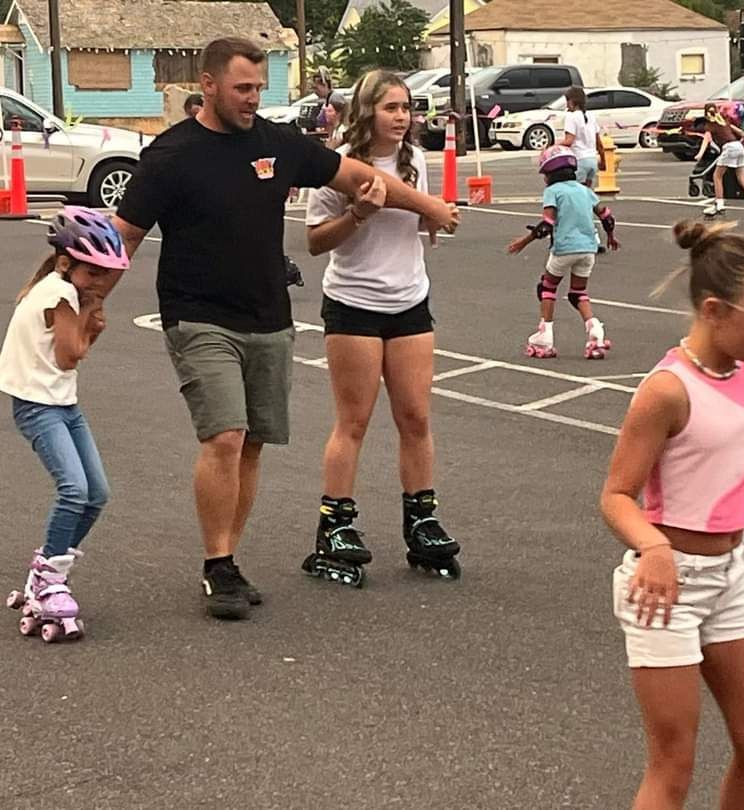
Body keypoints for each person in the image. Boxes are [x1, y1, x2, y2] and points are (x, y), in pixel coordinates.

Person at [110, 37, 458, 621]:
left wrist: (427, 207)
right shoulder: (171, 155)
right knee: (224, 434)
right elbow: (123, 237)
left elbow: (357, 174)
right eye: (243, 88)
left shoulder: (277, 143)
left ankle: (230, 558)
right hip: (197, 314)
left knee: (250, 443)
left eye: (259, 87)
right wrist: (84, 301)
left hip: (267, 313)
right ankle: (217, 563)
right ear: (209, 84)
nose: (254, 98)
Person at [601, 220, 744, 810]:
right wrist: (655, 550)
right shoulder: (667, 390)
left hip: (730, 577)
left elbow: (735, 476)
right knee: (674, 762)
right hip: (666, 588)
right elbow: (616, 495)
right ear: (714, 309)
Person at [303, 70, 460, 585]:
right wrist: (359, 214)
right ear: (368, 110)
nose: (401, 117)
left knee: (415, 416)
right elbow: (316, 241)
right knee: (354, 420)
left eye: (407, 108)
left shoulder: (415, 163)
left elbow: (418, 225)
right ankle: (336, 523)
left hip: (409, 299)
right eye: (391, 107)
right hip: (354, 303)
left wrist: (432, 220)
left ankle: (422, 519)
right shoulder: (339, 162)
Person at [0, 208, 129, 642]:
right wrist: (92, 316)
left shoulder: (59, 289)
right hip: (39, 407)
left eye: (104, 275)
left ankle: (48, 570)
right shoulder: (58, 294)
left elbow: (75, 350)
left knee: (97, 493)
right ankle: (50, 575)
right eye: (93, 273)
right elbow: (69, 355)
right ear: (64, 263)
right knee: (75, 489)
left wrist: (91, 325)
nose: (98, 283)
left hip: (62, 403)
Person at [507, 145, 619, 359]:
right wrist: (611, 237)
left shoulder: (553, 192)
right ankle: (595, 330)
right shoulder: (585, 191)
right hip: (588, 249)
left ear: (551, 174)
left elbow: (546, 225)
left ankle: (545, 335)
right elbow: (607, 216)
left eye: (545, 174)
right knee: (578, 293)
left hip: (564, 249)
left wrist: (524, 241)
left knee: (547, 287)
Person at [692, 103, 744, 220]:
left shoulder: (710, 125)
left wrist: (700, 154)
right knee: (742, 178)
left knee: (717, 176)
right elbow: (740, 133)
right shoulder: (724, 121)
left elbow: (706, 139)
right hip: (738, 146)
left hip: (729, 148)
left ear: (706, 114)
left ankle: (720, 205)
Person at [562, 86, 606, 187]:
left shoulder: (571, 117)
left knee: (577, 193)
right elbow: (598, 143)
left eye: (567, 101)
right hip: (592, 160)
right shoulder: (591, 116)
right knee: (587, 193)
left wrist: (553, 145)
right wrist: (603, 161)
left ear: (572, 101)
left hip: (579, 160)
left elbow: (569, 141)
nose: (567, 105)